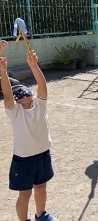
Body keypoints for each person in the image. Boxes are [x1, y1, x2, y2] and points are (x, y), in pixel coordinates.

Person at [0, 50, 57, 221]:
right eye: (19, 94)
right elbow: (8, 95)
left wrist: (33, 65)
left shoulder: (40, 104)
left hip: (42, 154)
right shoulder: (15, 112)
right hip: (24, 159)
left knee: (40, 186)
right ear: (16, 101)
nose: (24, 94)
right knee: (25, 193)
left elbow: (42, 85)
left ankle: (41, 215)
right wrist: (3, 72)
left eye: (26, 91)